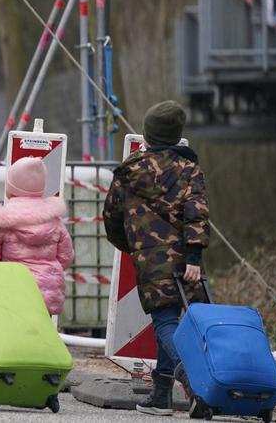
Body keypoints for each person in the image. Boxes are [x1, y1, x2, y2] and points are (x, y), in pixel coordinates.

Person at [103, 100, 209, 417]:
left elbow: (111, 219)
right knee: (175, 321)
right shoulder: (189, 169)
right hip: (188, 261)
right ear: (177, 136)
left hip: (151, 260)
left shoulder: (128, 171)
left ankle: (190, 378)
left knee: (164, 322)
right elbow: (198, 215)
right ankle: (161, 394)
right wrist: (193, 256)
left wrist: (133, 247)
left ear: (146, 135)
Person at [0, 156, 73, 316]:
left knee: (13, 333)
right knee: (41, 333)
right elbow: (66, 257)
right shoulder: (55, 221)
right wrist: (47, 272)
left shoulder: (2, 220)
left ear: (11, 186)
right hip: (47, 293)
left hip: (12, 289)